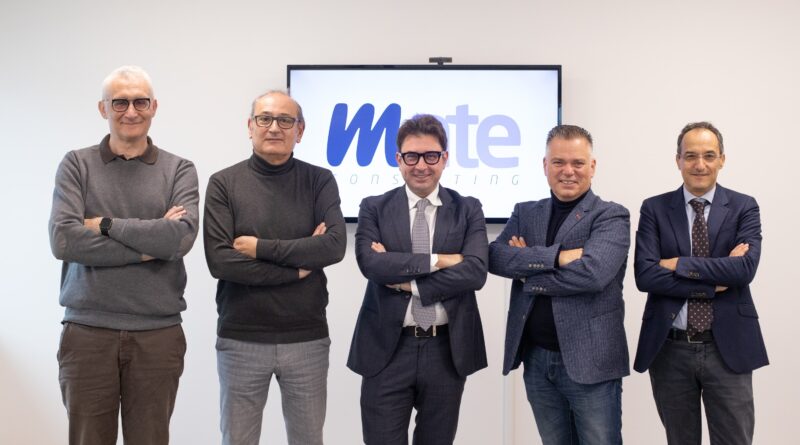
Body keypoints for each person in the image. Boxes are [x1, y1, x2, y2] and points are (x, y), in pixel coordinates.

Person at [49, 65, 199, 445]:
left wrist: (103, 224)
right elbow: (64, 241)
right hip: (87, 334)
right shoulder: (76, 165)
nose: (131, 111)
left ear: (154, 107)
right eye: (119, 102)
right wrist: (150, 246)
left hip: (157, 335)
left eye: (140, 102)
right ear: (103, 108)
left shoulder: (179, 170)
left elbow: (179, 239)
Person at [204, 90, 346, 445]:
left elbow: (333, 246)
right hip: (241, 337)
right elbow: (221, 262)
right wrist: (296, 268)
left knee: (308, 440)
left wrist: (259, 248)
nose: (274, 128)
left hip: (307, 337)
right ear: (250, 126)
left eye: (285, 120)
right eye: (265, 118)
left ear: (300, 130)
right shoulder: (224, 183)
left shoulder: (319, 181)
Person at [347, 114, 488, 445]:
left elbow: (475, 272)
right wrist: (441, 260)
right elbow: (371, 264)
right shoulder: (374, 207)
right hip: (387, 349)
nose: (421, 165)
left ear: (445, 158)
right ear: (399, 159)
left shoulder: (468, 209)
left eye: (431, 156)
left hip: (446, 350)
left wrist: (407, 282)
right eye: (412, 156)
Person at [488, 124, 630, 445]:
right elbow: (495, 257)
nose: (568, 171)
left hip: (591, 361)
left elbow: (593, 274)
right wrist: (559, 257)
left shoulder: (611, 216)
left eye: (578, 163)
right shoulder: (526, 213)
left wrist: (528, 272)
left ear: (592, 166)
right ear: (545, 165)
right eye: (558, 162)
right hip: (537, 359)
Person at [633, 121, 767, 445]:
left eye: (709, 155)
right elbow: (646, 275)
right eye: (690, 155)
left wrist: (678, 263)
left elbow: (743, 270)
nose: (700, 164)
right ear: (678, 160)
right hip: (671, 348)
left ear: (722, 159)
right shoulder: (654, 208)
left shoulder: (744, 206)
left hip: (728, 347)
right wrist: (711, 283)